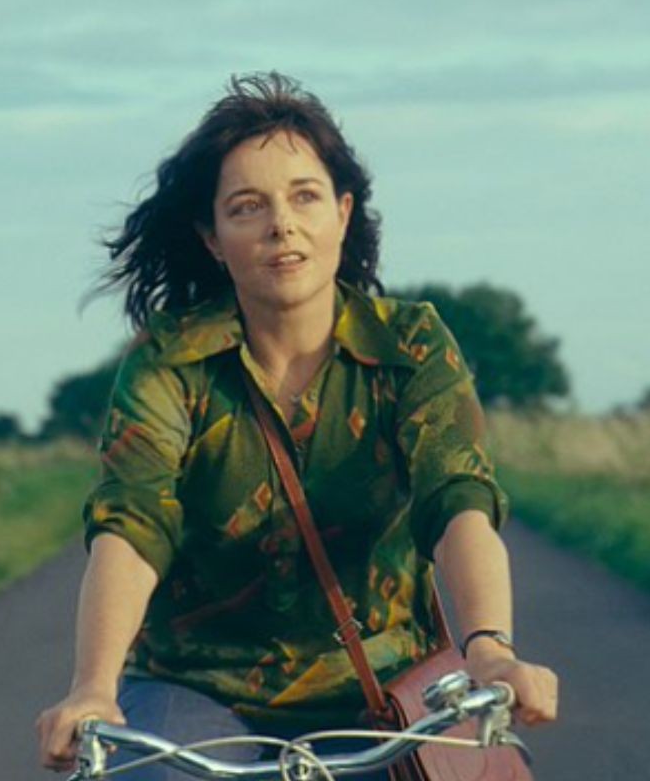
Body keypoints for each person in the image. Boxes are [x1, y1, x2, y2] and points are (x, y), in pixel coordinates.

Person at [36, 71, 559, 779]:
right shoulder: (170, 361)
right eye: (247, 207)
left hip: (385, 689)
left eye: (305, 196)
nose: (281, 224)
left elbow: (457, 500)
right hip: (195, 688)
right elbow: (132, 526)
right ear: (213, 237)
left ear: (343, 213)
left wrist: (490, 648)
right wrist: (92, 687)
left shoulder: (409, 345)